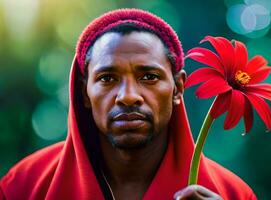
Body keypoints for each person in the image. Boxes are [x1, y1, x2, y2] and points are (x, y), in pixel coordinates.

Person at [0, 8, 257, 200]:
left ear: (178, 88)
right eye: (107, 78)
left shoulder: (233, 193)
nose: (128, 96)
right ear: (84, 92)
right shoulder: (23, 185)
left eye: (149, 77)